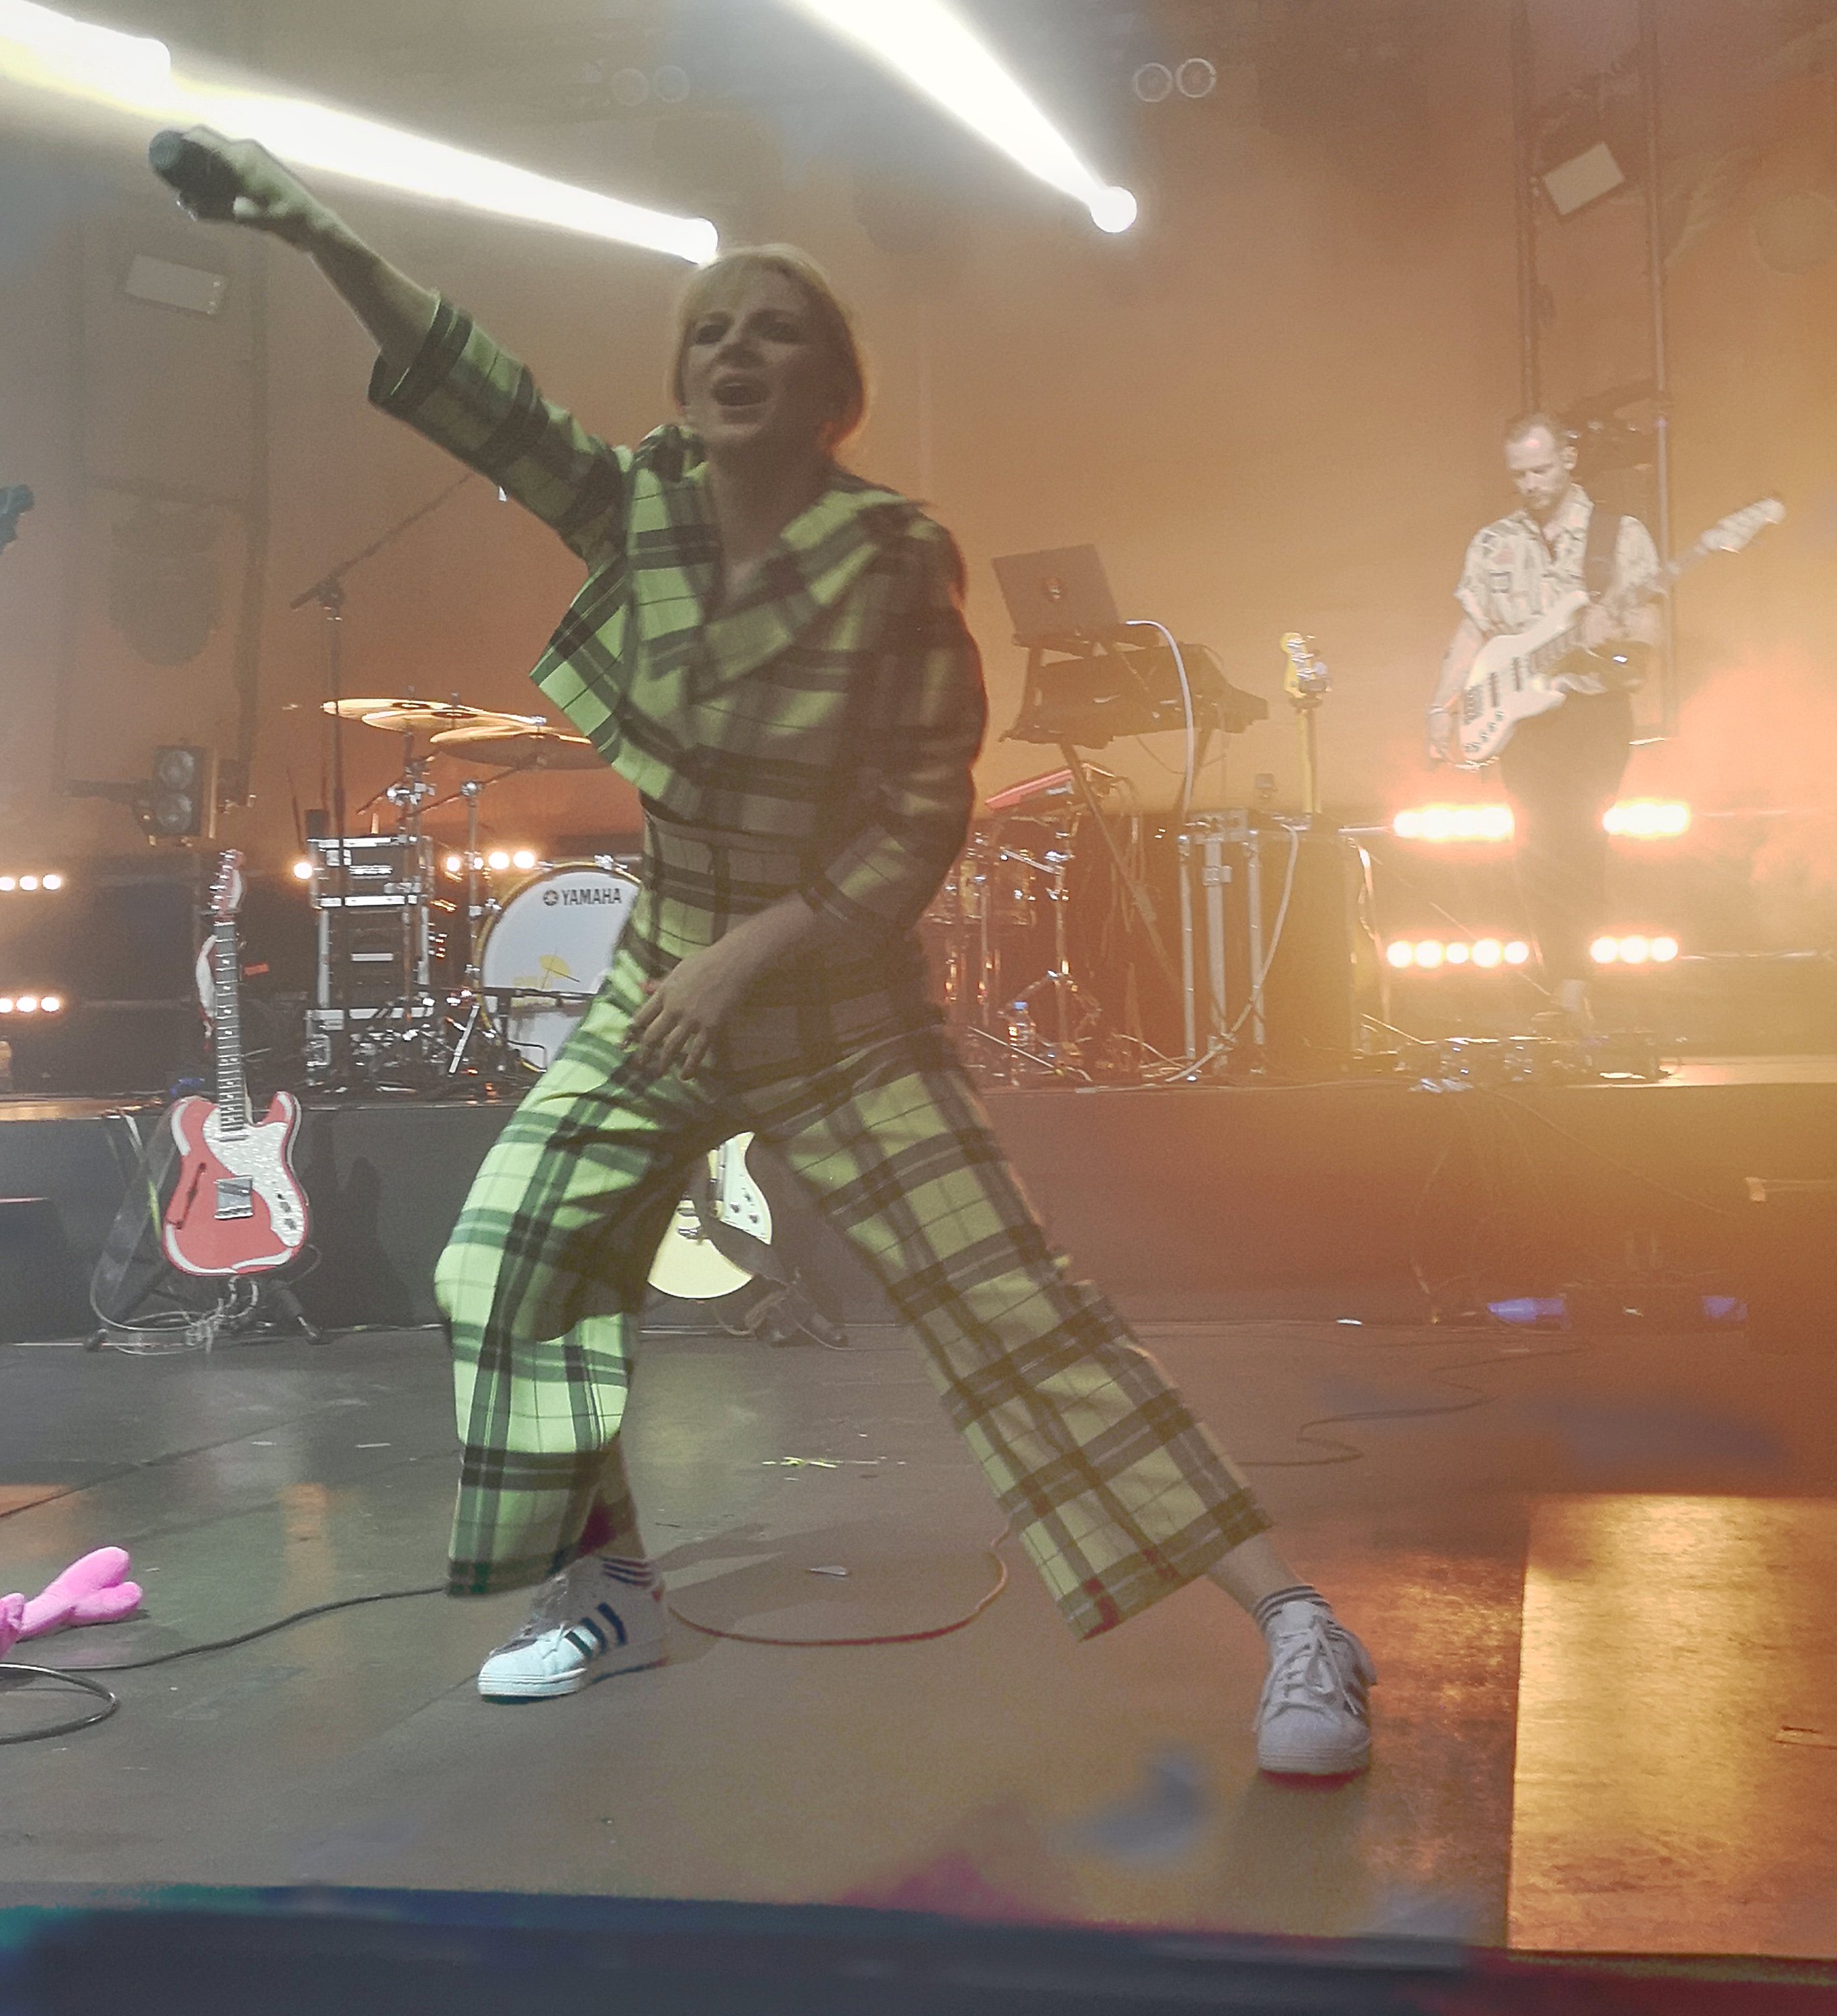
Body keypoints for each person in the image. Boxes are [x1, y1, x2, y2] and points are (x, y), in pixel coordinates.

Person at [163, 127, 1376, 1780]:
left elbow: (920, 815)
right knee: (504, 1265)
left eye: (773, 329)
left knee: (1010, 1311)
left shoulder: (890, 556)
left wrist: (747, 958)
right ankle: (610, 1589)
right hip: (660, 987)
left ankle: (1295, 1620)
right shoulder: (647, 509)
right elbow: (480, 394)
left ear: (834, 391)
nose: (735, 350)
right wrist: (313, 230)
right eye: (711, 329)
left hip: (833, 1010)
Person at [1427, 413, 1662, 1031]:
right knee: (1535, 850)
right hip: (1523, 720)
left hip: (1591, 710)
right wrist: (1441, 707)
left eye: (1541, 469)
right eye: (1519, 475)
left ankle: (1573, 987)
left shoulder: (1617, 534)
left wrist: (1615, 637)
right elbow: (1472, 632)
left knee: (1578, 839)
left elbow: (1649, 627)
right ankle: (1564, 985)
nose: (1530, 484)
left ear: (1569, 459)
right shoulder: (1492, 542)